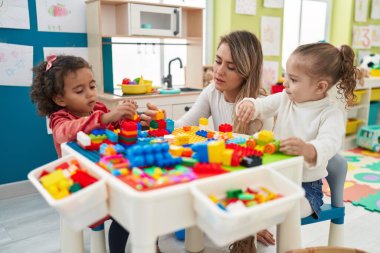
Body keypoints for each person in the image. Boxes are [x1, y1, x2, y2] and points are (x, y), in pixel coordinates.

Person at [141, 30, 275, 252]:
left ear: (246, 72)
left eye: (231, 67)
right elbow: (185, 126)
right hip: (220, 179)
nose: (219, 71)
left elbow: (262, 167)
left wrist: (254, 220)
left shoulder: (259, 107)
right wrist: (162, 121)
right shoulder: (212, 91)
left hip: (247, 185)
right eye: (218, 61)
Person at [30, 55, 139, 253]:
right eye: (80, 90)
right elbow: (68, 132)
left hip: (107, 174)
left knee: (133, 206)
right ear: (59, 98)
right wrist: (106, 117)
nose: (90, 95)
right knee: (124, 214)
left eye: (92, 86)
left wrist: (126, 117)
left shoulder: (98, 108)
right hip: (84, 187)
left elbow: (114, 126)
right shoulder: (59, 119)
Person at [236, 42, 358, 219]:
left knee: (285, 210)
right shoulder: (286, 98)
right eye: (286, 76)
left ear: (320, 87)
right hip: (275, 176)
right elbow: (261, 105)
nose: (285, 83)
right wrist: (249, 105)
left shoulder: (330, 114)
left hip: (306, 189)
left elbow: (329, 143)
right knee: (246, 198)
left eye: (293, 80)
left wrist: (309, 150)